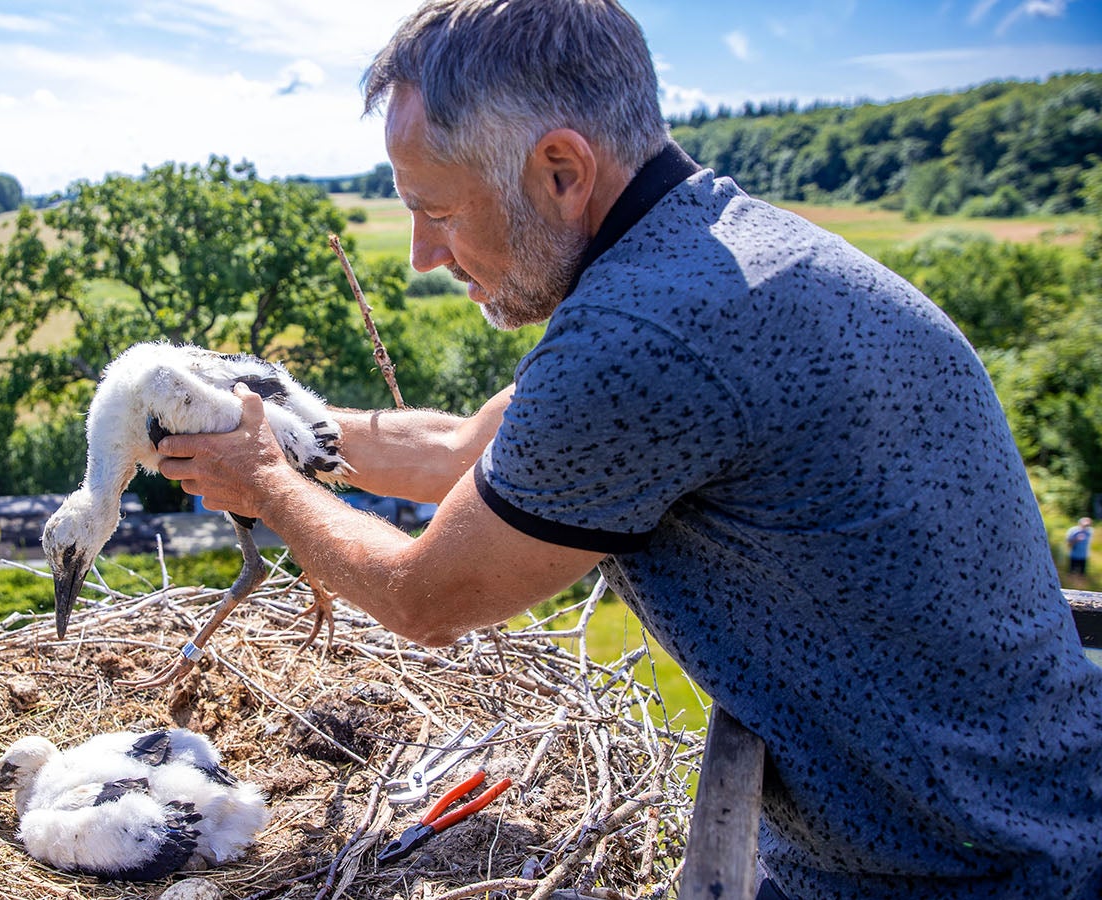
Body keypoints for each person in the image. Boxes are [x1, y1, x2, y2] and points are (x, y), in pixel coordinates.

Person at [157, 1, 1102, 897]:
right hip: (1031, 806)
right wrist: (275, 429)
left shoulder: (645, 342)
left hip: (962, 868)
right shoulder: (710, 256)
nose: (422, 257)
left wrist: (267, 483)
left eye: (438, 211)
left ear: (561, 169)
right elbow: (462, 448)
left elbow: (427, 597)